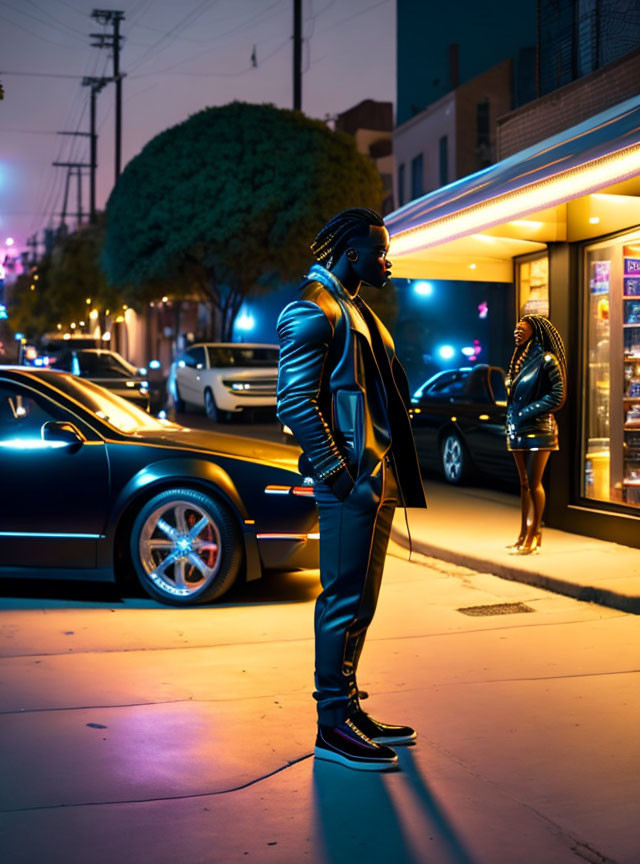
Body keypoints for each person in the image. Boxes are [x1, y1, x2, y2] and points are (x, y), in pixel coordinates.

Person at [276, 208, 426, 771]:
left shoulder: (353, 307)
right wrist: (339, 474)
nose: (388, 261)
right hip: (351, 481)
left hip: (374, 476)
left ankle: (349, 706)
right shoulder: (312, 309)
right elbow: (294, 402)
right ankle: (331, 725)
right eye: (380, 251)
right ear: (352, 254)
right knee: (341, 600)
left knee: (362, 601)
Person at [505, 314, 567, 555]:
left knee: (533, 483)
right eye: (516, 329)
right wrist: (513, 420)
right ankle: (523, 534)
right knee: (523, 484)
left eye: (522, 329)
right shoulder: (517, 359)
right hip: (517, 429)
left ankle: (534, 533)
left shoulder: (547, 360)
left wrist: (528, 411)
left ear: (535, 331)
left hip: (540, 428)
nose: (517, 333)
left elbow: (558, 395)